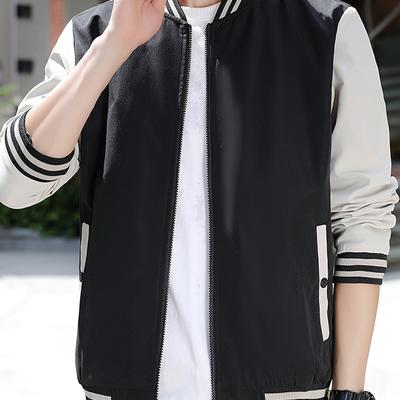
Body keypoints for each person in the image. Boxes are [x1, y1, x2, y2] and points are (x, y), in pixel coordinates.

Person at [0, 0, 398, 399]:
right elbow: (14, 185)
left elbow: (362, 216)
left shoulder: (325, 29)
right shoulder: (92, 36)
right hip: (124, 380)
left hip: (280, 380)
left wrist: (349, 391)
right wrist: (114, 46)